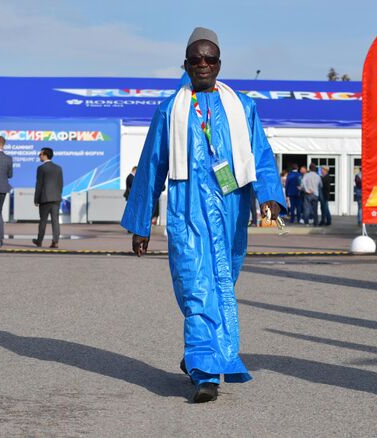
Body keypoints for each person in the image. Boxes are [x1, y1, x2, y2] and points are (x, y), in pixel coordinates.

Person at [121, 27, 285, 403]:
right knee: (197, 288)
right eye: (196, 59)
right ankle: (206, 372)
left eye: (210, 59)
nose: (203, 65)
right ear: (186, 64)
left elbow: (259, 154)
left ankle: (199, 356)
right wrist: (141, 223)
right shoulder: (169, 110)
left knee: (222, 282)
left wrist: (269, 196)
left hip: (231, 209)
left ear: (219, 63)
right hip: (186, 210)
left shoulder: (243, 107)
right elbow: (151, 167)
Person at [32, 147, 63, 249]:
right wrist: (58, 195)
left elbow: (39, 185)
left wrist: (36, 199)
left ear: (45, 155)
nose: (39, 156)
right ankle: (55, 241)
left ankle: (39, 241)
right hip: (56, 198)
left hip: (45, 198)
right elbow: (60, 184)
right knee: (55, 221)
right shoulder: (58, 168)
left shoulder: (41, 168)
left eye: (40, 154)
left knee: (43, 221)